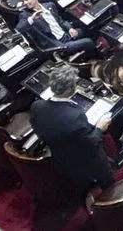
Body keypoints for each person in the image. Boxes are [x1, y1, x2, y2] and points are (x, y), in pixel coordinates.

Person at [30, 66, 114, 197]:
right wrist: (99, 128)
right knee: (103, 166)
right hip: (84, 159)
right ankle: (110, 191)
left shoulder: (36, 106)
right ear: (71, 89)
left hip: (59, 156)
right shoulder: (75, 116)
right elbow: (91, 143)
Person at [15, 0, 98, 57]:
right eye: (23, 1)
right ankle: (95, 62)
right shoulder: (25, 15)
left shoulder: (49, 5)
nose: (25, 3)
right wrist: (32, 18)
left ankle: (90, 56)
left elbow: (61, 21)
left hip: (66, 35)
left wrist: (70, 28)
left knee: (91, 29)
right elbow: (19, 29)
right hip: (57, 45)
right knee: (88, 42)